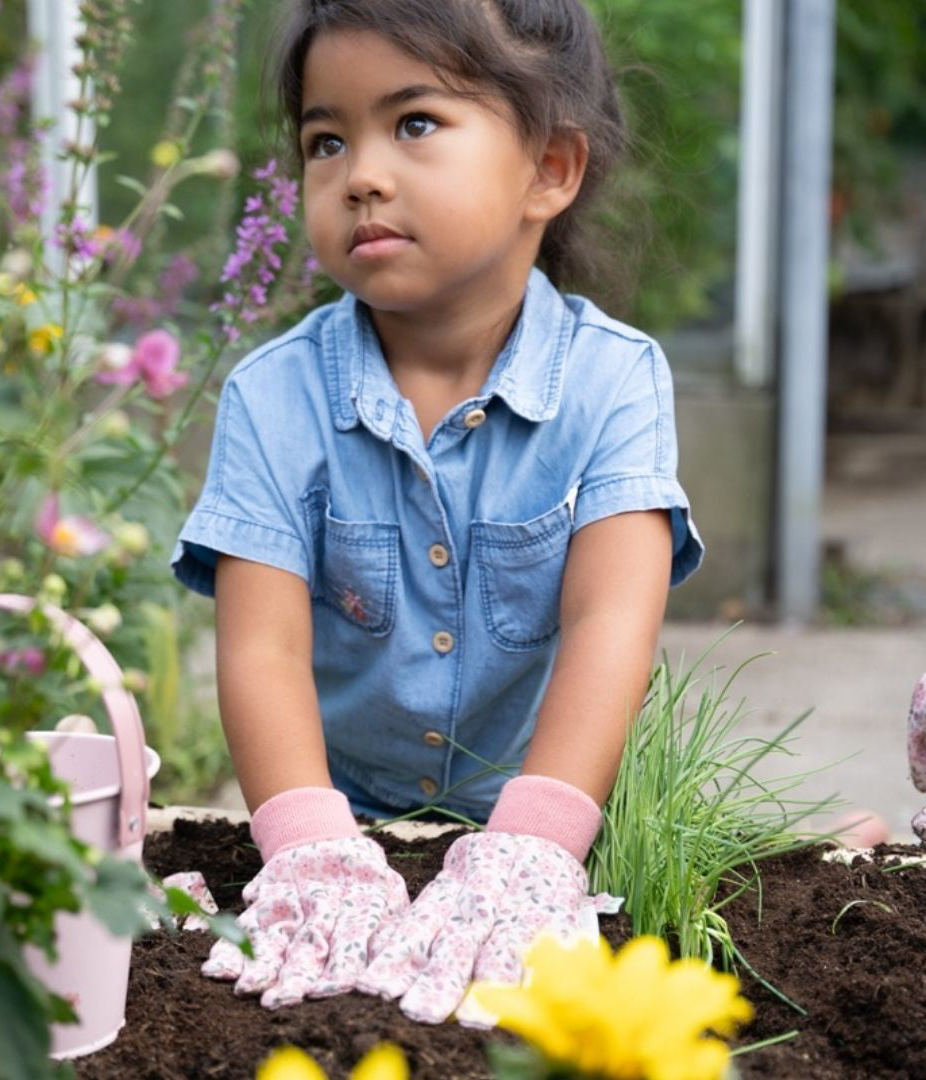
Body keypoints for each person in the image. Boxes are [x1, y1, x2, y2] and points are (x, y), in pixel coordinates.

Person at [172, 0, 703, 1025]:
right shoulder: (273, 398)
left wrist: (535, 848)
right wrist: (312, 852)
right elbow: (263, 653)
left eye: (413, 123)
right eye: (327, 139)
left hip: (558, 835)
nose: (361, 172)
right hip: (348, 825)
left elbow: (610, 626)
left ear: (549, 169)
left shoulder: (615, 384)